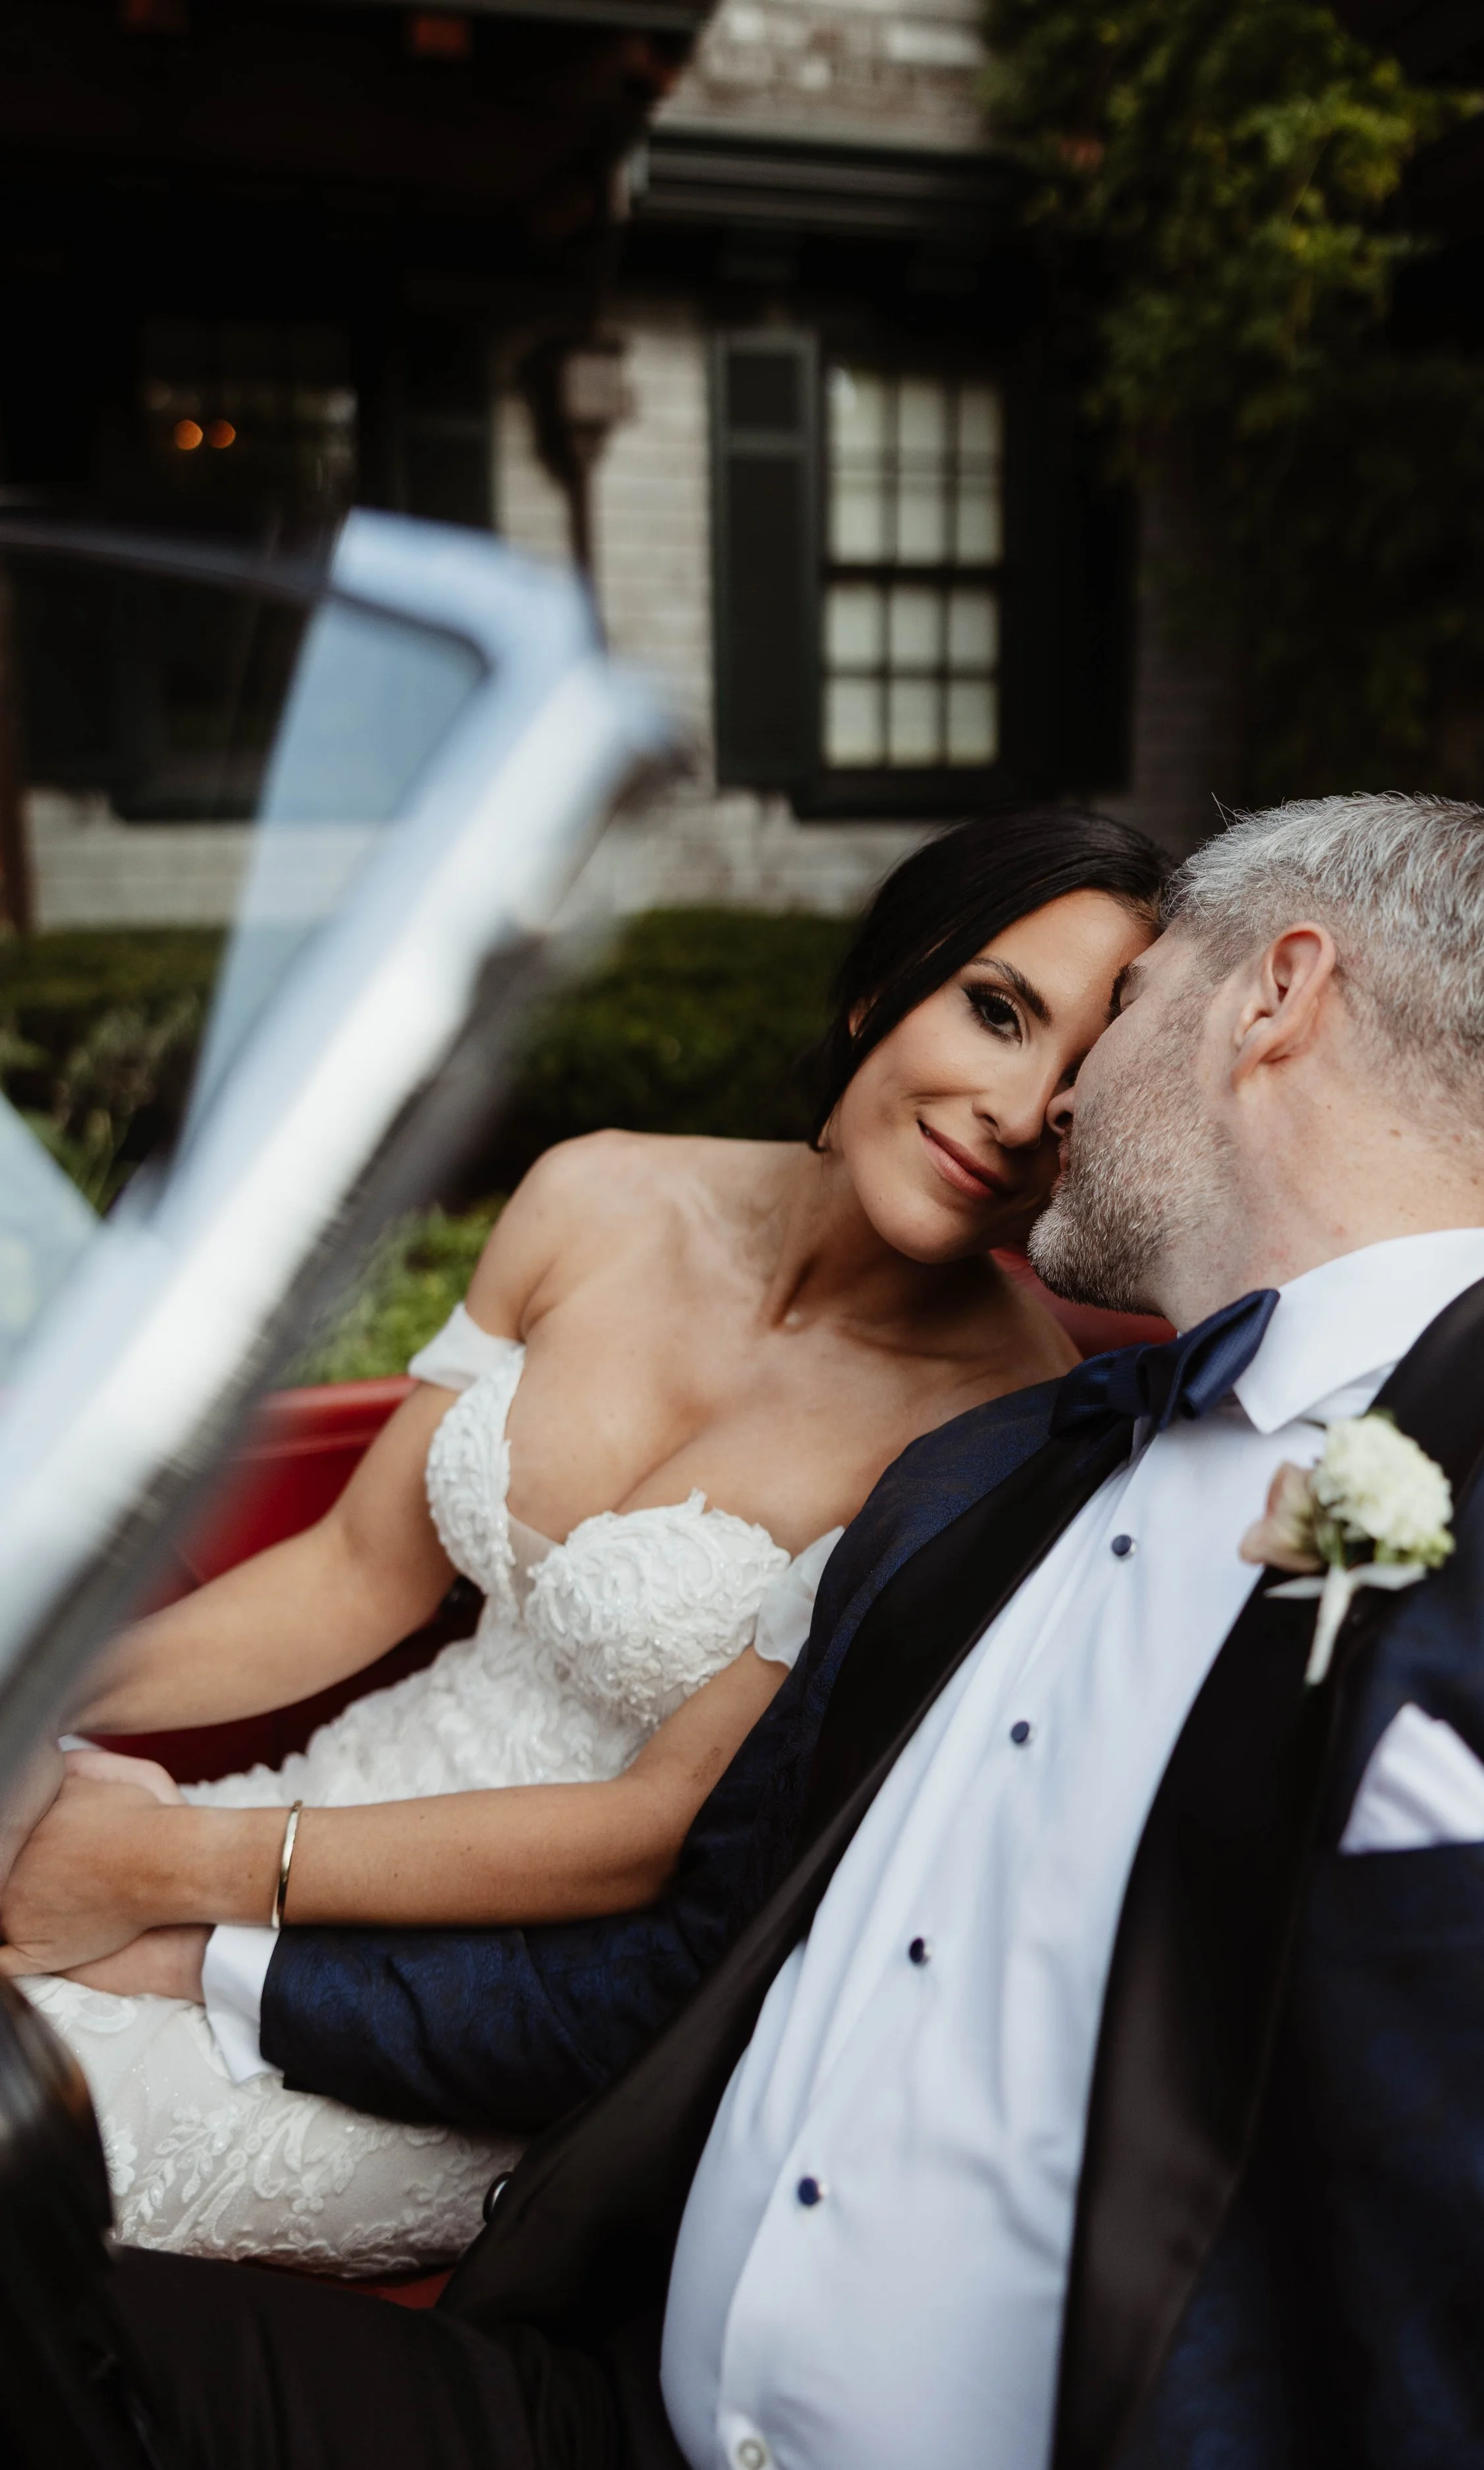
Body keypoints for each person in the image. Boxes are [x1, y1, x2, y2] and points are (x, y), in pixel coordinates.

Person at [72, 789, 1484, 2470]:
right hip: (599, 2388)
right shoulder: (995, 1483)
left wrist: (176, 1886)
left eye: (1123, 1008)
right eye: (1007, 1008)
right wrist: (191, 1939)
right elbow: (689, 1962)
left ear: (1271, 998)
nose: (1055, 1097)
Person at [0, 807, 1165, 2278]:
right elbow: (358, 1574)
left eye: (1077, 1093)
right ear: (880, 985)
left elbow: (645, 1836)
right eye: (994, 1012)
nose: (1014, 1110)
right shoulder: (595, 1189)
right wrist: (34, 1707)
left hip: (487, 2011)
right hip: (316, 1794)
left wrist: (172, 1869)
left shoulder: (1001, 1426)